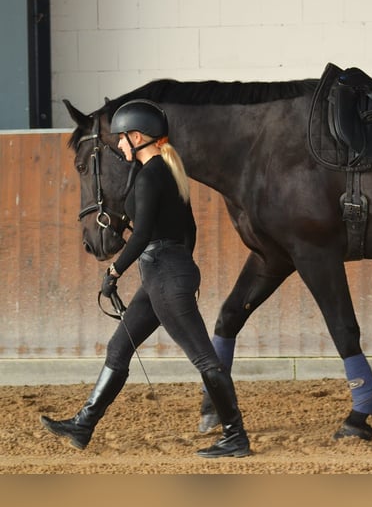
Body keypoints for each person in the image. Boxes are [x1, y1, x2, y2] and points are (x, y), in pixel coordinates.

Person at [40, 99, 251, 458]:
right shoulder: (158, 171)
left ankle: (235, 436)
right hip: (163, 274)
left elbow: (141, 236)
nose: (119, 144)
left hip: (165, 277)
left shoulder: (153, 174)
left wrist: (114, 271)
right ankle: (83, 424)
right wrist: (180, 264)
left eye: (122, 138)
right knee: (118, 348)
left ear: (137, 137)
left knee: (204, 360)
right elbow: (188, 229)